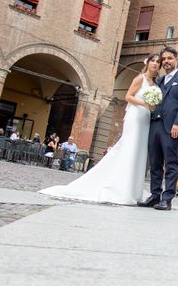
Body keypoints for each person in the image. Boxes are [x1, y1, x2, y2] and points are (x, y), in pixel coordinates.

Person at [41, 53, 161, 204]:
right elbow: (128, 97)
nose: (155, 64)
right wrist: (145, 104)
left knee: (139, 151)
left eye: (158, 62)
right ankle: (121, 189)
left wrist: (153, 106)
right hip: (135, 116)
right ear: (148, 62)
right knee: (130, 148)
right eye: (153, 61)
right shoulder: (140, 78)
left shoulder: (155, 85)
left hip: (145, 119)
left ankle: (133, 190)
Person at [138, 46, 178, 211]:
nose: (166, 61)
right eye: (164, 59)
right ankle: (155, 196)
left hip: (172, 128)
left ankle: (167, 198)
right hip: (155, 125)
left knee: (170, 164)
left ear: (176, 59)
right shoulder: (159, 81)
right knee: (154, 163)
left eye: (169, 58)